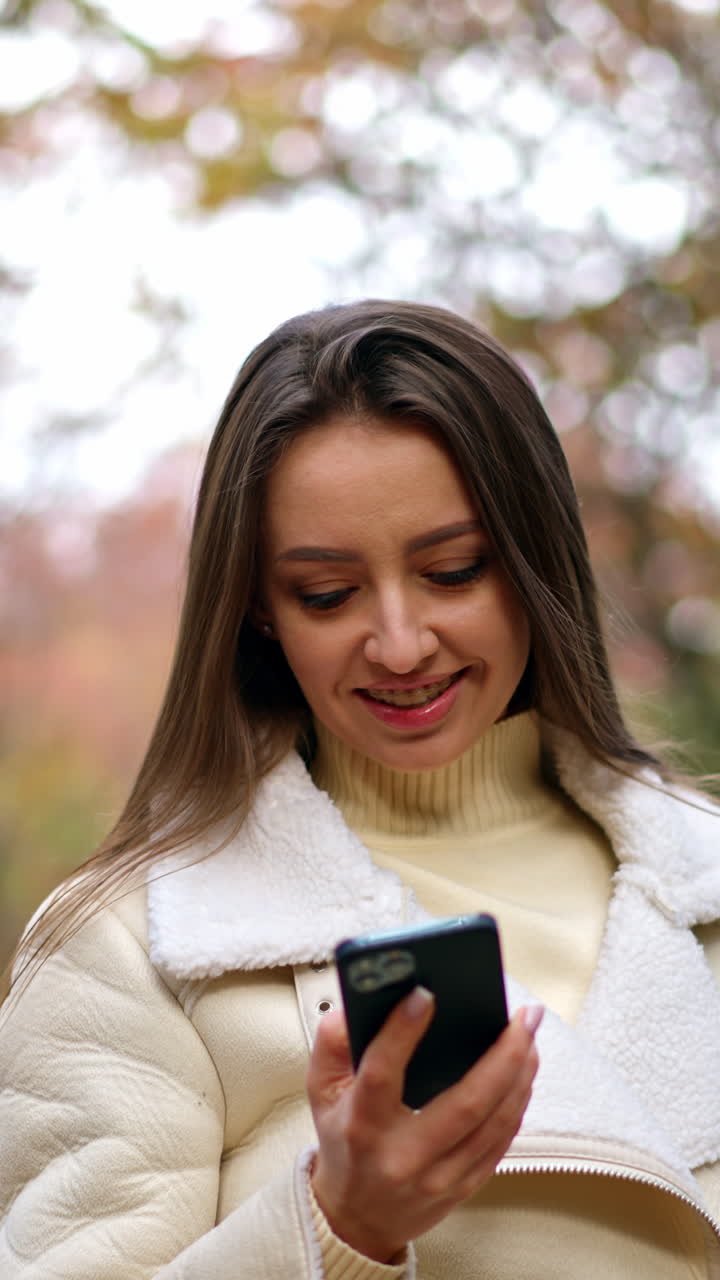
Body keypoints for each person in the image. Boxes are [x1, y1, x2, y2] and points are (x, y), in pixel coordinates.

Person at [1, 299, 719, 1280]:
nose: (399, 642)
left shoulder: (705, 878)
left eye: (454, 569)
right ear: (256, 605)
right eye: (327, 593)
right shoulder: (131, 945)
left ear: (535, 558)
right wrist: (341, 1224)